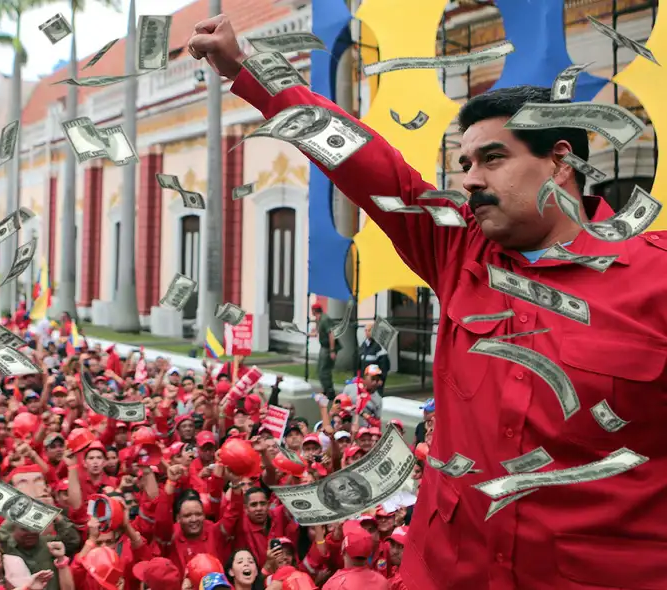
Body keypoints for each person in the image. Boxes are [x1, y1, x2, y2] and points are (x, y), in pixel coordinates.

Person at [188, 12, 667, 588]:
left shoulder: (655, 280)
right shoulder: (458, 250)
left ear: (561, 161)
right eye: (465, 163)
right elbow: (367, 162)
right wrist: (252, 73)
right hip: (447, 569)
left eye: (492, 158)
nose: (468, 179)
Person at [310, 304, 341, 399]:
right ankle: (326, 389)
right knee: (320, 370)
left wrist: (332, 350)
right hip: (324, 347)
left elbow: (331, 334)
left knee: (324, 371)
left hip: (328, 348)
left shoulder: (325, 319)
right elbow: (317, 332)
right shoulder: (319, 319)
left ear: (314, 311)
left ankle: (330, 392)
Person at [357, 325, 390, 393]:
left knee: (376, 398)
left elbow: (384, 365)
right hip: (366, 379)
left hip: (375, 380)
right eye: (365, 330)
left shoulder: (379, 346)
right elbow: (360, 363)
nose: (367, 332)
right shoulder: (364, 345)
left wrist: (381, 379)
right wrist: (358, 377)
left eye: (369, 330)